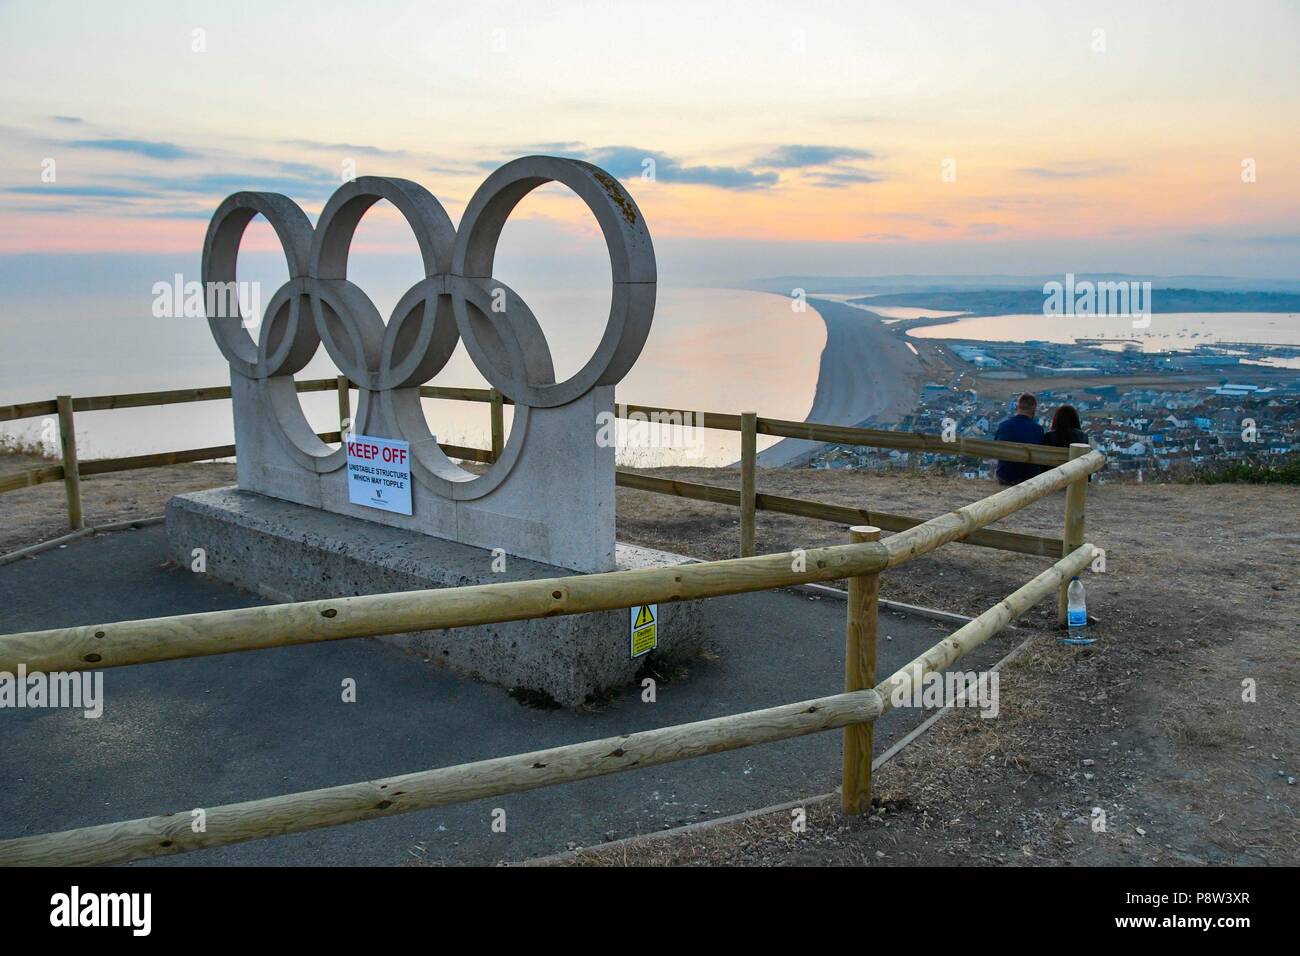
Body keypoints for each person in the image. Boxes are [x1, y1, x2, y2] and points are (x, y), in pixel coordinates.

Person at [993, 393, 1044, 485]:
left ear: (1018, 407)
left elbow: (996, 448)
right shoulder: (1038, 430)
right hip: (1029, 478)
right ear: (1034, 408)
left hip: (1005, 476)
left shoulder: (1003, 426)